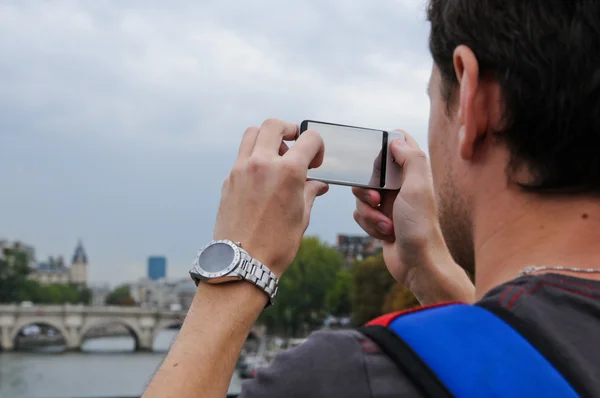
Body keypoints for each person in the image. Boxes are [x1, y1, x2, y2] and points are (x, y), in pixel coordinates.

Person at [143, 0, 600, 396]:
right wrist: (431, 272)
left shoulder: (351, 378)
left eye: (433, 98)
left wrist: (241, 266)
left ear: (472, 103)